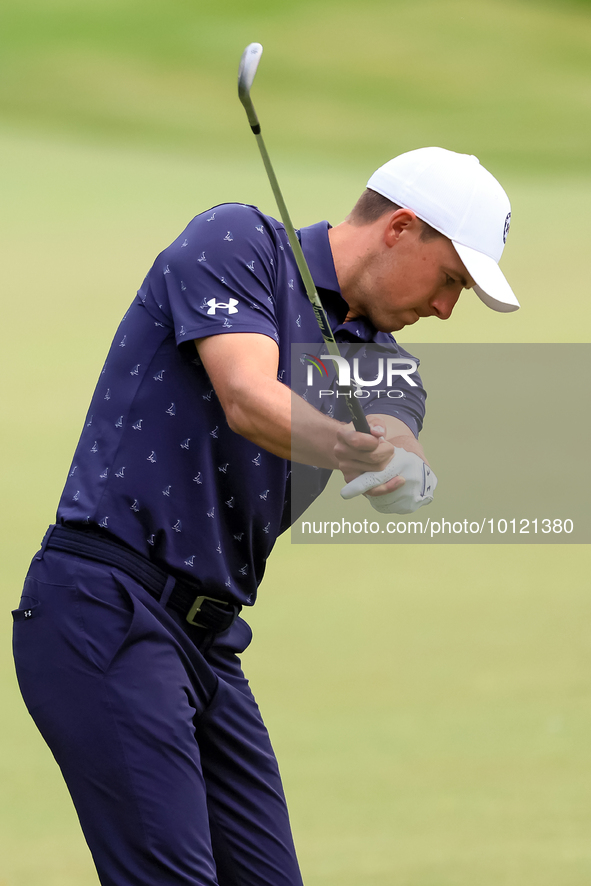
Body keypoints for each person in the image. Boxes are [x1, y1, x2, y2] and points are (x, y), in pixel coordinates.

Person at [12, 146, 518, 886]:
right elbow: (249, 397)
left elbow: (394, 429)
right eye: (449, 281)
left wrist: (403, 466)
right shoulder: (236, 241)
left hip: (209, 642)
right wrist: (349, 447)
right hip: (104, 608)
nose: (444, 309)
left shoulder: (386, 357)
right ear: (400, 228)